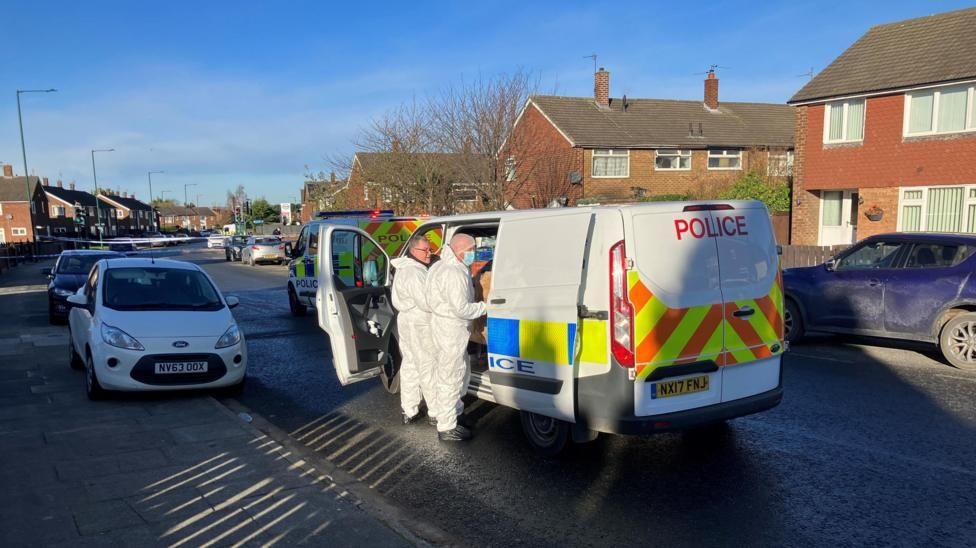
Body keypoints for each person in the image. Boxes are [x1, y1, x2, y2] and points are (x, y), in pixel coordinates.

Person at [426, 233, 487, 441]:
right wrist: (485, 306)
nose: (473, 254)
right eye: (471, 250)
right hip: (451, 328)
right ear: (461, 250)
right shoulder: (454, 272)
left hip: (445, 326)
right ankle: (447, 426)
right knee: (450, 377)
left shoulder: (440, 266)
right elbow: (461, 308)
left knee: (457, 373)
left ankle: (456, 414)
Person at [390, 234, 437, 425]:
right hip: (419, 321)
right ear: (412, 251)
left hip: (407, 320)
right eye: (424, 250)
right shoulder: (415, 273)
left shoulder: (405, 269)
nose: (428, 254)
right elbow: (427, 302)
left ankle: (409, 409)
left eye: (430, 250)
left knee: (410, 364)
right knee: (428, 365)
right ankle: (436, 411)